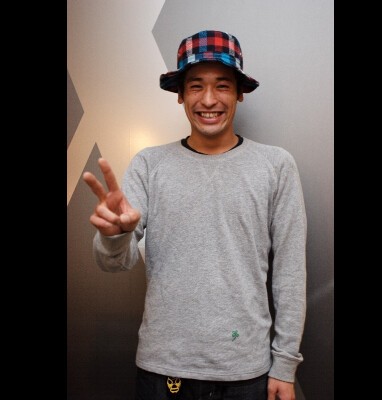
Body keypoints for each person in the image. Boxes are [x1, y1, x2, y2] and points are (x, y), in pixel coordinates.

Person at [83, 30, 307, 400]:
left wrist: (284, 364)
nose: (208, 99)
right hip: (164, 372)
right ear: (180, 94)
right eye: (195, 86)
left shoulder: (275, 165)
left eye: (222, 86)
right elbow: (113, 263)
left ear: (240, 93)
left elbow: (290, 273)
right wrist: (114, 236)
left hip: (246, 373)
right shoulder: (149, 164)